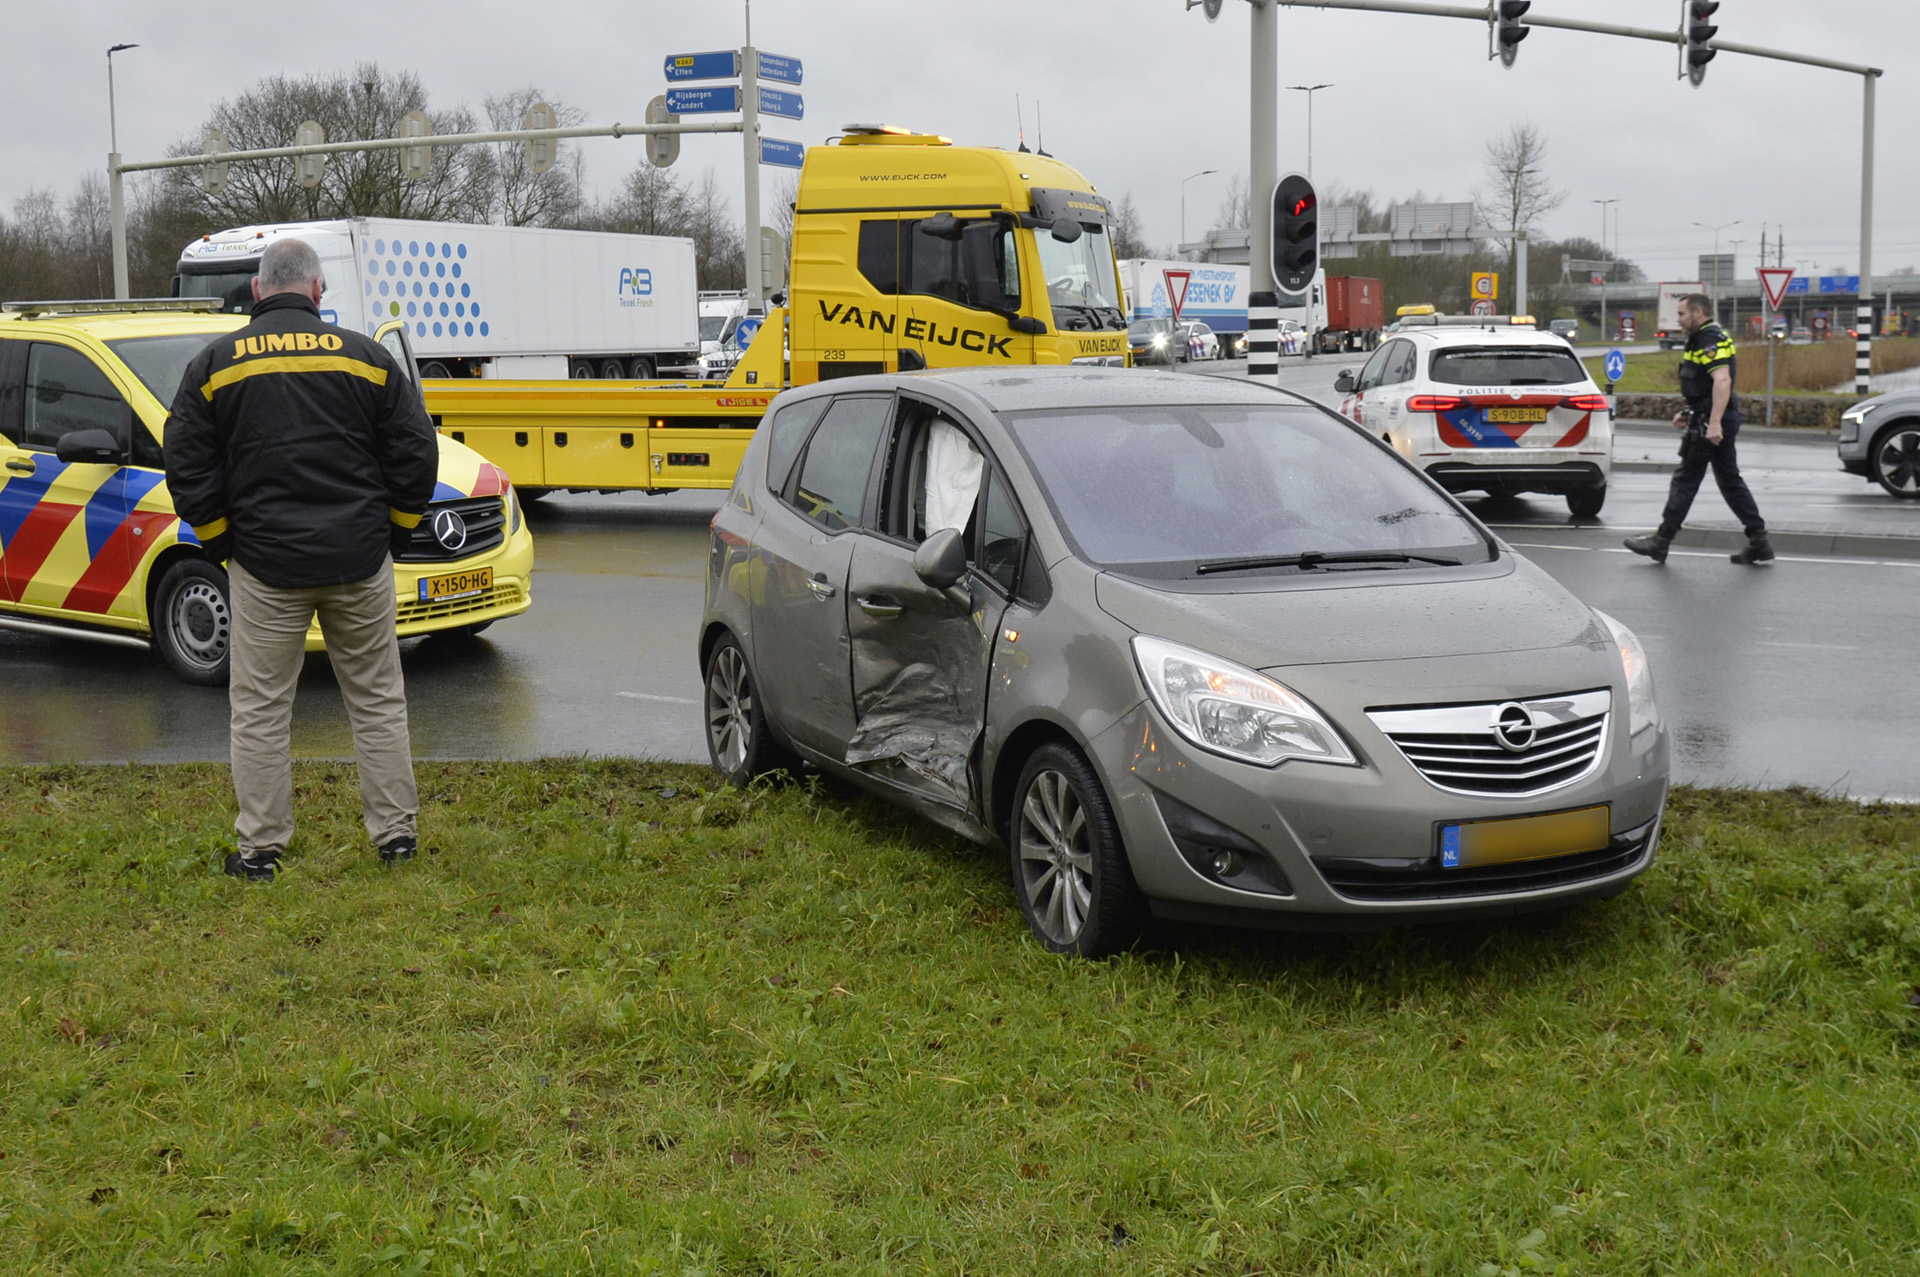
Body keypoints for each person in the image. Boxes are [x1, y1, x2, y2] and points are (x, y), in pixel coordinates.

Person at [166, 237, 439, 881]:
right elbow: (416, 454)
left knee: (260, 709)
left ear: (258, 291)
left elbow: (186, 459)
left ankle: (261, 851)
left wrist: (222, 542)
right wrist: (392, 534)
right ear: (319, 292)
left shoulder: (216, 363)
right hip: (360, 561)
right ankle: (396, 840)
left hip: (265, 567)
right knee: (376, 700)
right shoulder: (368, 360)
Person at [1624, 292, 1773, 565]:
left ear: (1698, 313)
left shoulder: (1709, 339)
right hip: (1710, 415)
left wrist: (1713, 422)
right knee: (1730, 480)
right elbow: (1703, 385)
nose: (1678, 319)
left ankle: (1662, 541)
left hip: (1712, 421)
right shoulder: (1703, 337)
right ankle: (1758, 540)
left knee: (1686, 479)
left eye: (1682, 314)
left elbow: (1722, 381)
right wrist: (1689, 410)